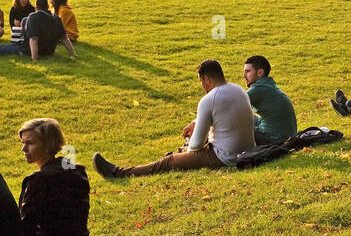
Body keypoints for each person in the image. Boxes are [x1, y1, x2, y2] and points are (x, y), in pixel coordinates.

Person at [93, 60, 256, 176]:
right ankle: (177, 153)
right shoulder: (238, 90)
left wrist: (187, 147)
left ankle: (119, 173)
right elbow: (225, 116)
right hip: (247, 149)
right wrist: (196, 123)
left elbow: (196, 146)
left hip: (225, 156)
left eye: (201, 82)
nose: (202, 87)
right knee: (182, 151)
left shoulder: (208, 99)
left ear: (206, 79)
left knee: (168, 162)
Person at [18, 118, 89, 236]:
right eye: (23, 143)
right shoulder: (76, 171)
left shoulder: (38, 181)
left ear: (47, 145)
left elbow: (25, 228)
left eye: (30, 143)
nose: (24, 149)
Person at [0, 0, 76, 60]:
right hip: (49, 52)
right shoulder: (57, 18)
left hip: (27, 50)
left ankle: (18, 43)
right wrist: (73, 55)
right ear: (47, 6)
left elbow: (33, 39)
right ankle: (18, 41)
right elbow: (65, 39)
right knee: (25, 20)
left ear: (36, 8)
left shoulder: (33, 16)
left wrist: (34, 59)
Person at [243, 55, 298, 146]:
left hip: (274, 140)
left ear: (260, 72)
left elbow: (233, 103)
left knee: (235, 124)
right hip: (288, 136)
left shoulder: (259, 88)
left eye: (247, 71)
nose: (244, 75)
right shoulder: (268, 84)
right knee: (247, 117)